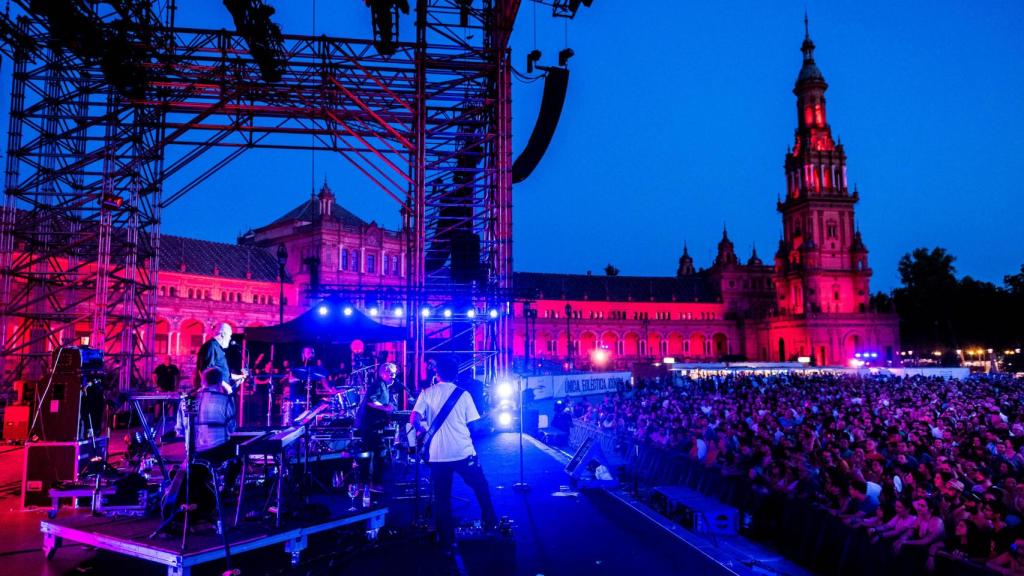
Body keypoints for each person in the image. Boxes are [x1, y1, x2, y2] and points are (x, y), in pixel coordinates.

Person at [411, 356, 497, 551]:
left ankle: (447, 541)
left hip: (438, 456)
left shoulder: (427, 393)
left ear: (437, 373)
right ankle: (490, 525)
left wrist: (423, 429)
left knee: (442, 497)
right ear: (456, 374)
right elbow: (474, 427)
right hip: (462, 453)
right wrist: (489, 418)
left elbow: (414, 418)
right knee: (481, 487)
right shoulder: (464, 395)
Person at [193, 367, 241, 496]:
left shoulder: (188, 399)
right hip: (218, 449)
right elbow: (232, 428)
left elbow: (180, 429)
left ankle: (205, 486)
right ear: (220, 382)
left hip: (195, 452)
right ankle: (227, 488)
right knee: (239, 456)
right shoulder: (225, 399)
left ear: (203, 381)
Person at [195, 323, 245, 393]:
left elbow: (222, 373)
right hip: (213, 391)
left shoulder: (218, 348)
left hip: (219, 389)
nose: (230, 338)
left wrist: (239, 377)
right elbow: (207, 371)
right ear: (223, 334)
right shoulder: (211, 346)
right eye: (229, 336)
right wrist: (225, 385)